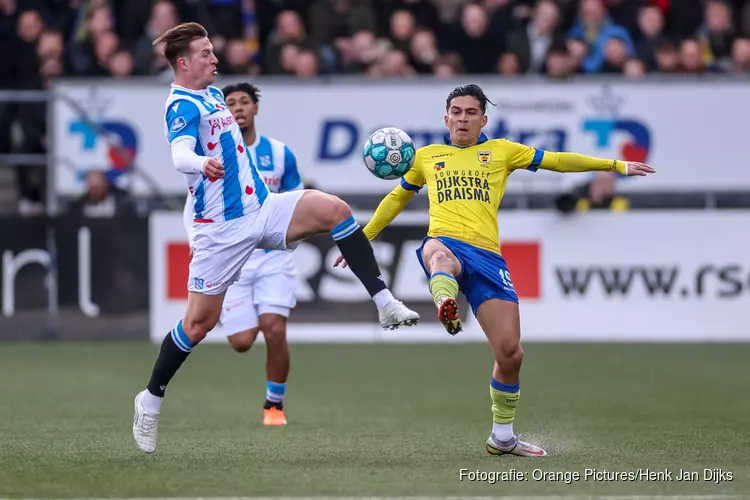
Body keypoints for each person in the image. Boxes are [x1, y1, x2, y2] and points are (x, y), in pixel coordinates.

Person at [133, 22, 420, 454]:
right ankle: (151, 398)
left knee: (336, 211)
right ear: (184, 62)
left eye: (213, 50)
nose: (215, 59)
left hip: (263, 209)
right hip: (223, 232)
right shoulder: (181, 105)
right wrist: (199, 162)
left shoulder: (212, 94)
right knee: (198, 324)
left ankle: (385, 303)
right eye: (206, 53)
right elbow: (178, 152)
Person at [335, 84, 655, 457]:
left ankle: (502, 438)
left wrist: (615, 165)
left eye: (471, 112)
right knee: (438, 256)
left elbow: (557, 160)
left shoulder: (502, 151)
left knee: (511, 354)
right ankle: (445, 303)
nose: (463, 118)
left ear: (483, 119)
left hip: (488, 257)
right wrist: (364, 237)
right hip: (445, 242)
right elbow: (396, 198)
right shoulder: (426, 157)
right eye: (456, 111)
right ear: (446, 118)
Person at [181, 82, 301, 427]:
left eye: (244, 102)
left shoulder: (280, 154)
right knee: (241, 342)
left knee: (274, 329)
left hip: (273, 259)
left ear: (255, 108)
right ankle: (237, 317)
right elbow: (193, 206)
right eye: (230, 103)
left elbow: (295, 200)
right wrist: (197, 242)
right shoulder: (214, 155)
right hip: (234, 258)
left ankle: (273, 405)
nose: (238, 108)